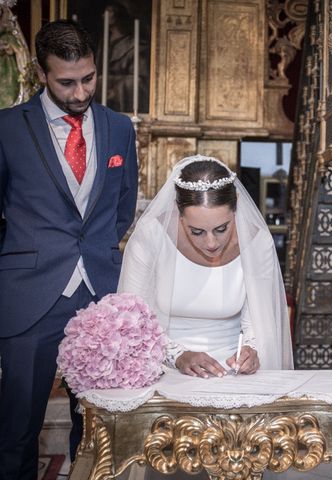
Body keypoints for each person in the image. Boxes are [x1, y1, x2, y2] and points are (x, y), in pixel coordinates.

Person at [0, 20, 138, 479]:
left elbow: (122, 208)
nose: (80, 92)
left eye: (89, 78)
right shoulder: (7, 129)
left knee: (97, 429)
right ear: (42, 73)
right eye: (66, 82)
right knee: (17, 429)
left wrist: (97, 255)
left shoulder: (119, 128)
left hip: (100, 298)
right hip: (28, 302)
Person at [118, 155, 293, 378]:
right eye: (197, 232)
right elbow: (133, 321)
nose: (211, 243)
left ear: (236, 206)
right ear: (179, 213)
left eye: (221, 229)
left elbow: (258, 320)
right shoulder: (151, 237)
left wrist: (251, 350)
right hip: (162, 369)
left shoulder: (256, 242)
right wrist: (178, 356)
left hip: (233, 373)